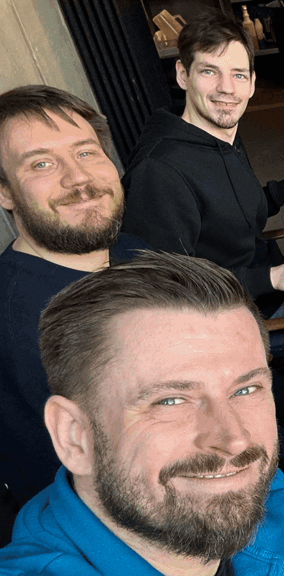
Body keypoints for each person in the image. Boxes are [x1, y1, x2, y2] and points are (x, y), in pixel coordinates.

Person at [0, 251, 284, 575]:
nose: (234, 441)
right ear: (74, 435)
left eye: (245, 390)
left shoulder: (257, 490)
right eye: (171, 401)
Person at [121, 13, 284, 333]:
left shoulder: (220, 133)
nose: (227, 89)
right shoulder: (159, 172)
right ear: (182, 75)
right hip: (238, 320)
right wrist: (272, 277)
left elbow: (229, 214)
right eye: (209, 71)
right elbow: (166, 288)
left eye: (238, 75)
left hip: (268, 283)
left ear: (252, 83)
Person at [0, 85, 147, 543]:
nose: (78, 178)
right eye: (41, 164)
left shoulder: (133, 252)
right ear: (4, 192)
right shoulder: (23, 327)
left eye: (86, 152)